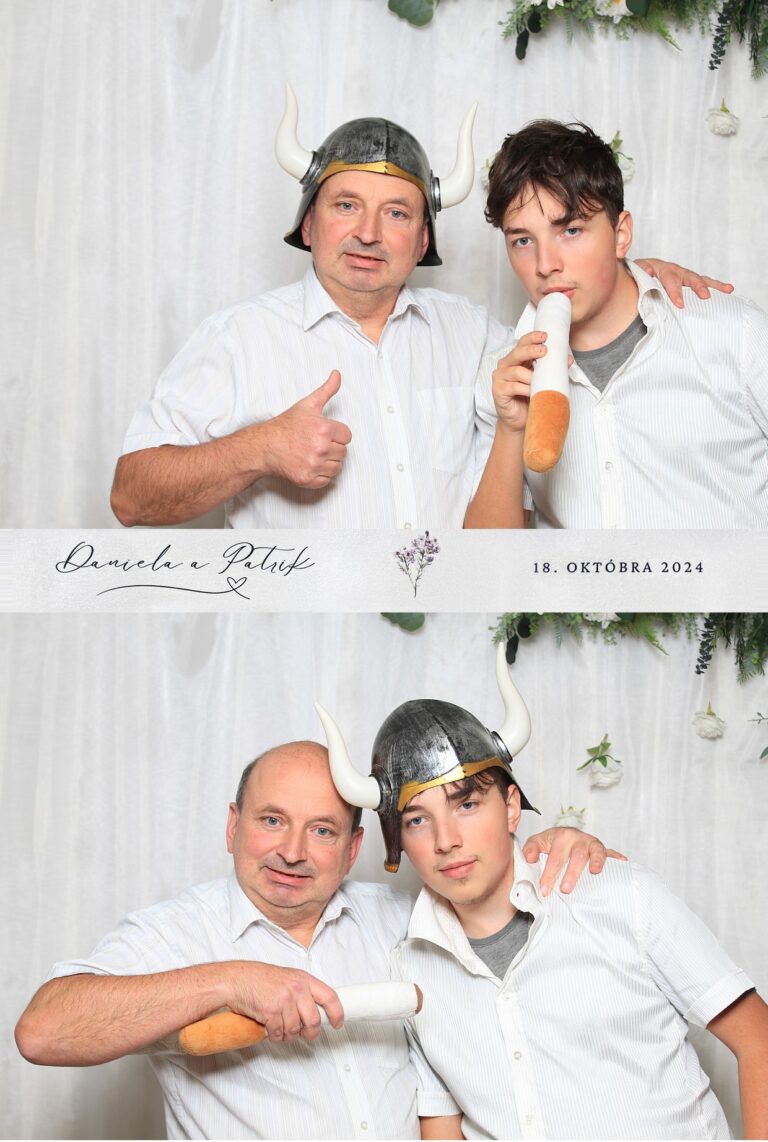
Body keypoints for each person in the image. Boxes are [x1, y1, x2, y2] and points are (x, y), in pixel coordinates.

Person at [110, 91, 725, 530]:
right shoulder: (238, 339)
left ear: (424, 240)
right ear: (308, 222)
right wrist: (260, 449)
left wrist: (635, 272)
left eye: (398, 213)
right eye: (346, 205)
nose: (369, 233)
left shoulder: (477, 335)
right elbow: (130, 496)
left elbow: (581, 305)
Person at [15, 740, 610, 1140]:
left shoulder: (407, 919)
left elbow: (505, 913)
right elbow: (42, 1033)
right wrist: (233, 979)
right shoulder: (177, 932)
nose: (293, 851)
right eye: (271, 820)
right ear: (233, 826)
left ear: (353, 850)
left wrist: (550, 844)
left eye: (322, 830)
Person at [316, 651, 768, 1140]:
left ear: (511, 808)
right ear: (399, 841)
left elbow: (758, 1040)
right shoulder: (412, 968)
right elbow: (443, 1126)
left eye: (466, 804)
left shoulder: (619, 894)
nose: (445, 840)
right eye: (418, 820)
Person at [467, 119, 768, 529]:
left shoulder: (735, 333)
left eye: (571, 230)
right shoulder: (503, 376)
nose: (545, 265)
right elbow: (489, 569)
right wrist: (510, 428)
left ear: (621, 234)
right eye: (522, 240)